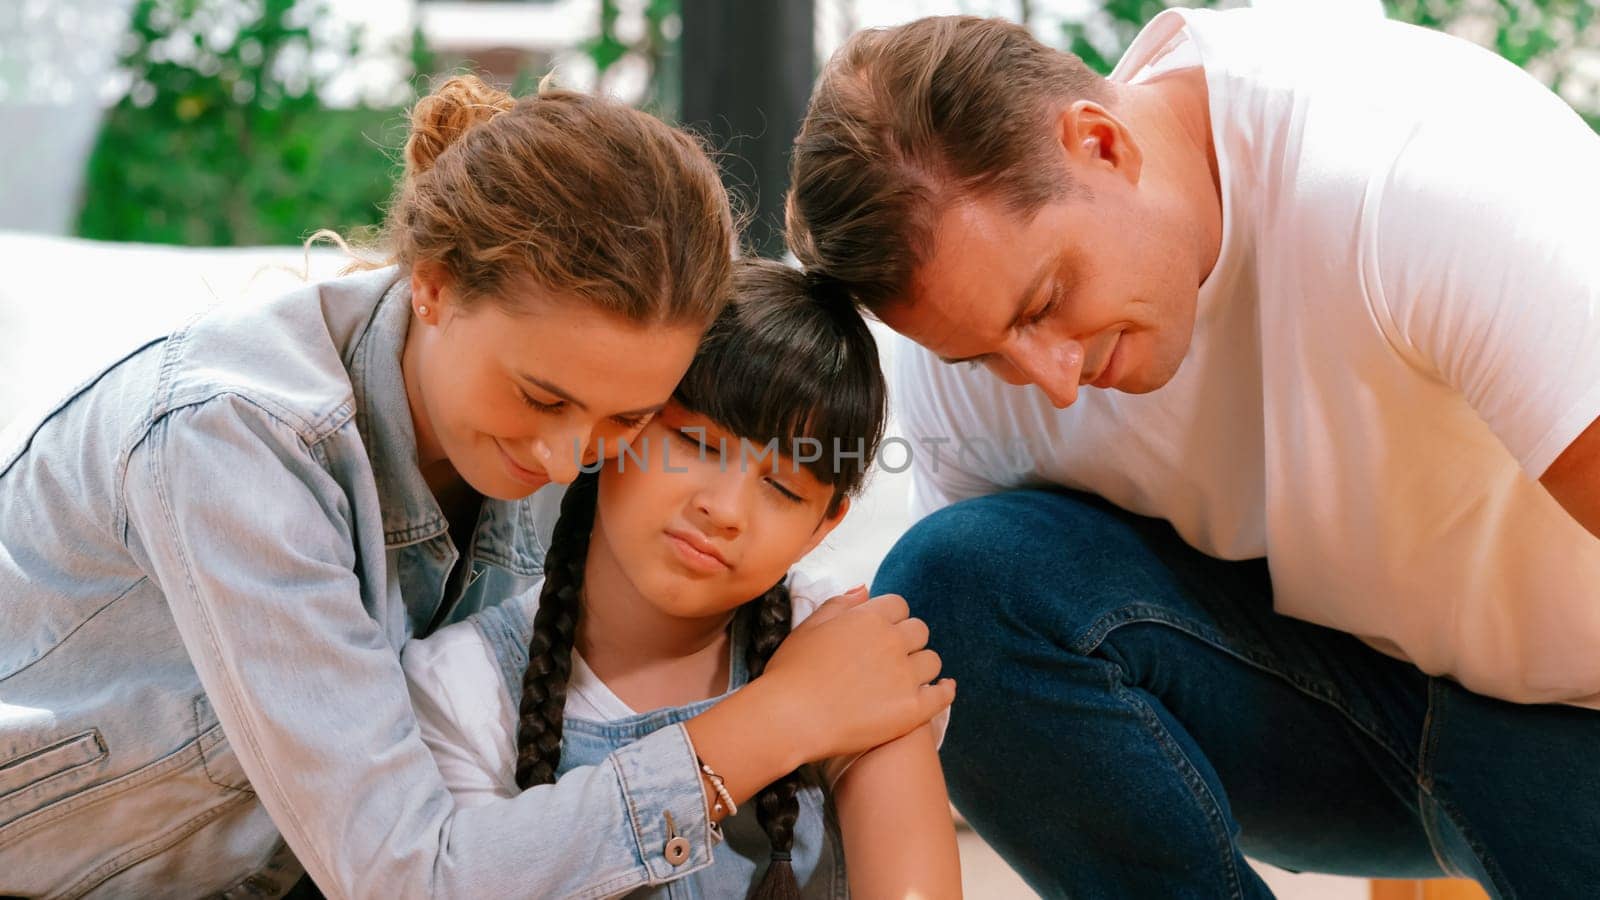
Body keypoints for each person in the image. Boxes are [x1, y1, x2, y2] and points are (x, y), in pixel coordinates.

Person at [0, 76, 950, 898]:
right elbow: (409, 876)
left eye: (628, 420)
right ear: (437, 284)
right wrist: (774, 724)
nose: (570, 457)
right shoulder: (237, 441)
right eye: (544, 396)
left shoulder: (563, 445)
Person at [785, 8, 1600, 899]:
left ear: (1100, 144)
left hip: (1572, 727)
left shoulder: (1414, 178)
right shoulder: (979, 359)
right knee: (955, 596)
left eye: (1044, 301)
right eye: (982, 353)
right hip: (1343, 715)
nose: (1051, 381)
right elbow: (969, 694)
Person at [401, 259, 962, 899]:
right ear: (618, 425)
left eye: (780, 486)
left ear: (823, 526)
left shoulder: (843, 644)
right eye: (695, 443)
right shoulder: (462, 688)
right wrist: (784, 715)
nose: (722, 509)